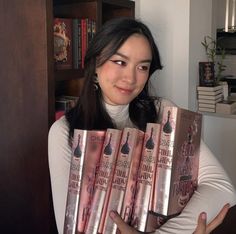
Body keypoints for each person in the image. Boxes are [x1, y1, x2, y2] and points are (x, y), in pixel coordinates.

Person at [48, 17, 236, 234]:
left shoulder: (163, 113)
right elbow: (69, 227)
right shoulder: (64, 131)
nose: (130, 77)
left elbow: (221, 188)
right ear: (95, 64)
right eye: (120, 62)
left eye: (143, 66)